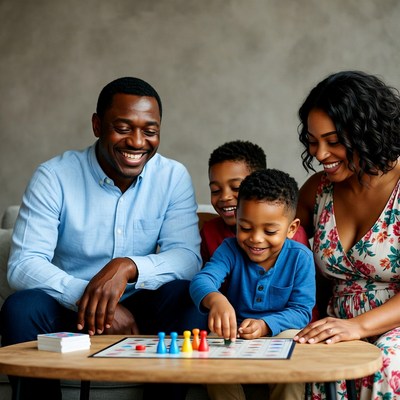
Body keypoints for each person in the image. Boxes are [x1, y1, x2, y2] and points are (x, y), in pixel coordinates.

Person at [0, 77, 207, 400]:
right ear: (97, 125)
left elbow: (187, 259)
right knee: (21, 308)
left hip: (141, 308)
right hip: (70, 307)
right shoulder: (54, 176)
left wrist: (127, 267)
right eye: (123, 128)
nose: (137, 142)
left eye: (150, 131)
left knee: (188, 300)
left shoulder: (172, 176)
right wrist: (92, 299)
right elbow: (23, 264)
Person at [293, 70, 400, 399]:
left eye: (334, 141)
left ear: (367, 131)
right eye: (313, 141)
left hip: (392, 326)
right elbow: (277, 247)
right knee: (303, 358)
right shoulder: (317, 191)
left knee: (387, 362)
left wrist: (357, 327)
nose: (320, 154)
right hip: (336, 323)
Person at [190, 168, 316, 400]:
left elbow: (301, 312)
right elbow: (202, 280)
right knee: (212, 350)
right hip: (237, 332)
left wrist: (265, 325)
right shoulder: (230, 250)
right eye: (245, 228)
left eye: (269, 231)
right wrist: (216, 299)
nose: (255, 239)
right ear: (236, 219)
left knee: (294, 347)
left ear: (291, 228)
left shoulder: (301, 258)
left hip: (281, 331)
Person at [201, 140, 310, 265]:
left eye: (237, 188)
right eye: (215, 190)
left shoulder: (293, 236)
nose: (224, 197)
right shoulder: (209, 232)